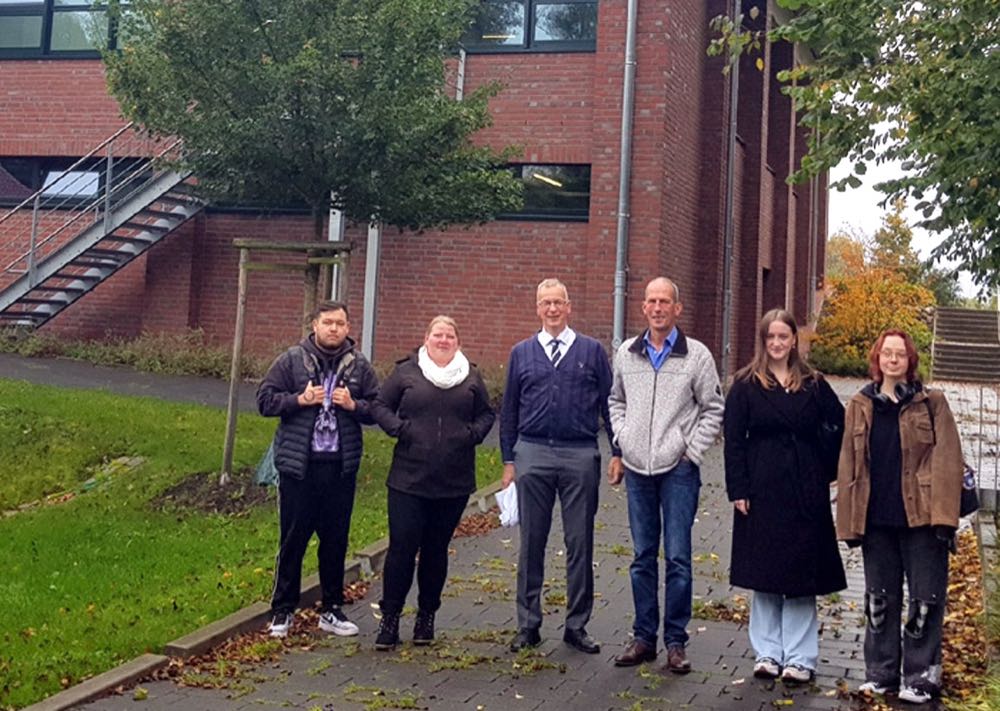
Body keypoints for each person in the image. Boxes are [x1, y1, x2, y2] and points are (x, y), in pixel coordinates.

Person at [836, 329, 964, 704]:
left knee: (925, 601)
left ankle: (921, 677)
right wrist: (848, 523)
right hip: (877, 519)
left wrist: (945, 519)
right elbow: (849, 464)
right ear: (878, 360)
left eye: (900, 354)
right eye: (887, 354)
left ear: (910, 361)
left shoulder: (932, 403)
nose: (893, 360)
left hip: (922, 519)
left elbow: (948, 461)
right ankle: (881, 674)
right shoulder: (860, 404)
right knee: (879, 600)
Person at [608, 277, 725, 674]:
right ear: (643, 308)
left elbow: (713, 408)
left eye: (665, 302)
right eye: (651, 301)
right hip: (638, 470)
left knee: (677, 557)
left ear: (678, 308)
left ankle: (676, 642)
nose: (657, 308)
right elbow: (615, 400)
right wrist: (622, 440)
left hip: (678, 471)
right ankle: (644, 638)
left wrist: (691, 452)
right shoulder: (627, 353)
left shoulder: (696, 356)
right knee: (642, 557)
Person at [723, 309, 846, 684]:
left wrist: (826, 471)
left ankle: (800, 657)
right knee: (766, 572)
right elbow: (733, 441)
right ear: (763, 341)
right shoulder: (745, 384)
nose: (777, 344)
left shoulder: (813, 383)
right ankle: (767, 652)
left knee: (800, 575)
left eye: (784, 337)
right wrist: (738, 488)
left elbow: (838, 425)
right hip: (761, 489)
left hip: (804, 490)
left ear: (795, 340)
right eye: (771, 337)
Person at [500, 278, 621, 654]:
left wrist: (616, 450)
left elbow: (610, 403)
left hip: (579, 453)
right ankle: (528, 624)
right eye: (545, 303)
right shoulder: (521, 352)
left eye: (558, 303)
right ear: (537, 308)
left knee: (579, 542)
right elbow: (508, 411)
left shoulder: (592, 351)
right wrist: (508, 460)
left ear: (569, 307)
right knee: (531, 543)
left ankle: (577, 625)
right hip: (532, 453)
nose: (552, 309)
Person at [370, 316, 496, 650]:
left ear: (457, 340)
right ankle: (390, 619)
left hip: (452, 481)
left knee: (436, 551)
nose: (443, 340)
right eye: (438, 335)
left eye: (449, 335)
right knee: (402, 548)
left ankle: (427, 618)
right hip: (408, 479)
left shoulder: (470, 374)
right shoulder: (407, 373)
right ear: (426, 339)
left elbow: (487, 413)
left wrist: (472, 435)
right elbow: (380, 405)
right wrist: (400, 429)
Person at [257, 300, 379, 638]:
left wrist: (354, 405)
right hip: (299, 467)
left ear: (348, 328)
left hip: (340, 467)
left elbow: (379, 408)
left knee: (335, 541)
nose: (334, 329)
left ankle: (332, 608)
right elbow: (264, 401)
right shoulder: (292, 360)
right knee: (293, 539)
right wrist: (299, 400)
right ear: (315, 325)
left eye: (340, 323)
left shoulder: (358, 366)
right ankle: (282, 610)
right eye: (328, 322)